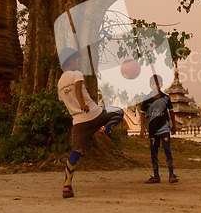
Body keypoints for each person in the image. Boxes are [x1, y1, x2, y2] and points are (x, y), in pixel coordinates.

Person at [57, 48, 124, 198]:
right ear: (72, 60)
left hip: (78, 122)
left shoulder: (60, 83)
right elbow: (78, 88)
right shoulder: (77, 73)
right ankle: (106, 131)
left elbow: (66, 99)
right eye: (77, 59)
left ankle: (67, 186)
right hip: (94, 114)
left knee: (76, 152)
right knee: (119, 111)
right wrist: (82, 103)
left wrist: (77, 107)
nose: (79, 62)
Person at [139, 74, 179, 184]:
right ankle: (156, 176)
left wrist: (174, 126)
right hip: (152, 130)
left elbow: (171, 112)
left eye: (157, 83)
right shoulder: (147, 100)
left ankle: (171, 175)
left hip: (164, 129)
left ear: (161, 85)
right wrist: (142, 128)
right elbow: (142, 114)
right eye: (153, 84)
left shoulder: (166, 98)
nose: (155, 86)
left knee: (167, 150)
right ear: (150, 85)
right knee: (154, 152)